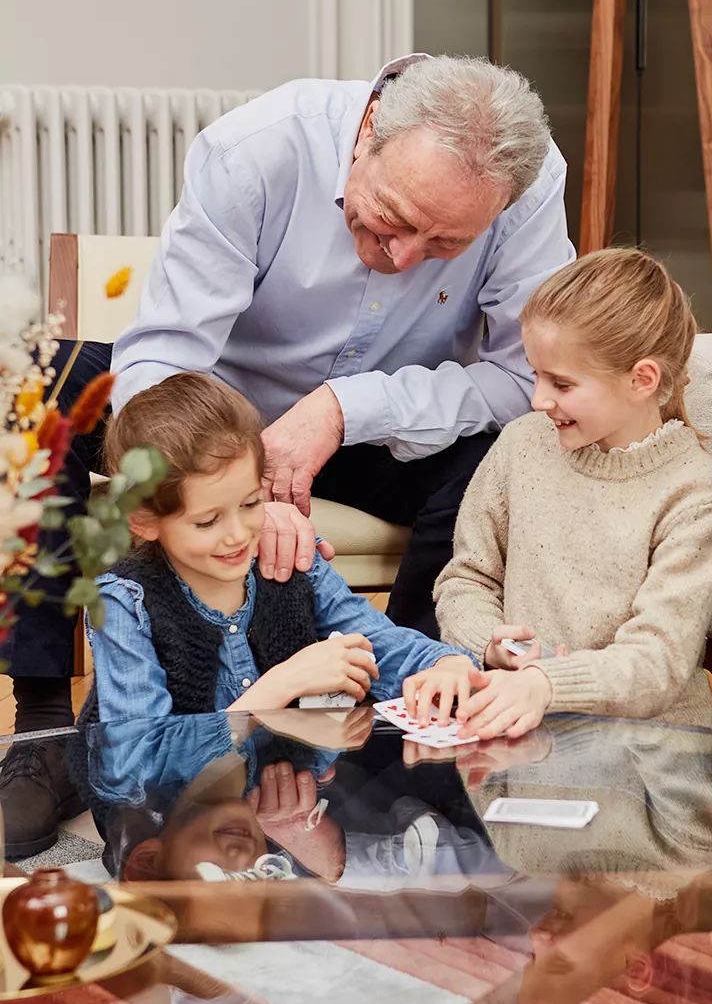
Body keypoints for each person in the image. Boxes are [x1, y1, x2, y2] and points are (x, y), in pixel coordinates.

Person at [2, 53, 572, 851]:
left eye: (445, 242)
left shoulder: (529, 181)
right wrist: (235, 484)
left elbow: (524, 378)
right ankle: (43, 736)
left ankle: (401, 729)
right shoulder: (257, 151)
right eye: (392, 217)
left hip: (382, 423)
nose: (404, 255)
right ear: (368, 133)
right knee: (32, 386)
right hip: (214, 410)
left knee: (511, 451)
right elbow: (166, 351)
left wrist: (346, 407)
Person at [75, 373, 478, 778]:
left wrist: (442, 664)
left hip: (282, 803)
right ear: (143, 521)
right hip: (169, 825)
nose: (238, 535)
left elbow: (381, 644)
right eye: (207, 521)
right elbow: (137, 764)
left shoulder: (290, 559)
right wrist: (282, 685)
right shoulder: (124, 602)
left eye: (251, 503)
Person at [413, 248, 712, 737]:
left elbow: (657, 661)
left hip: (653, 754)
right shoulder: (521, 444)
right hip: (514, 731)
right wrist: (488, 642)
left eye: (561, 384)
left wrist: (547, 683)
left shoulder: (698, 496)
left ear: (642, 380)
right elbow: (466, 579)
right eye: (535, 374)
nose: (538, 399)